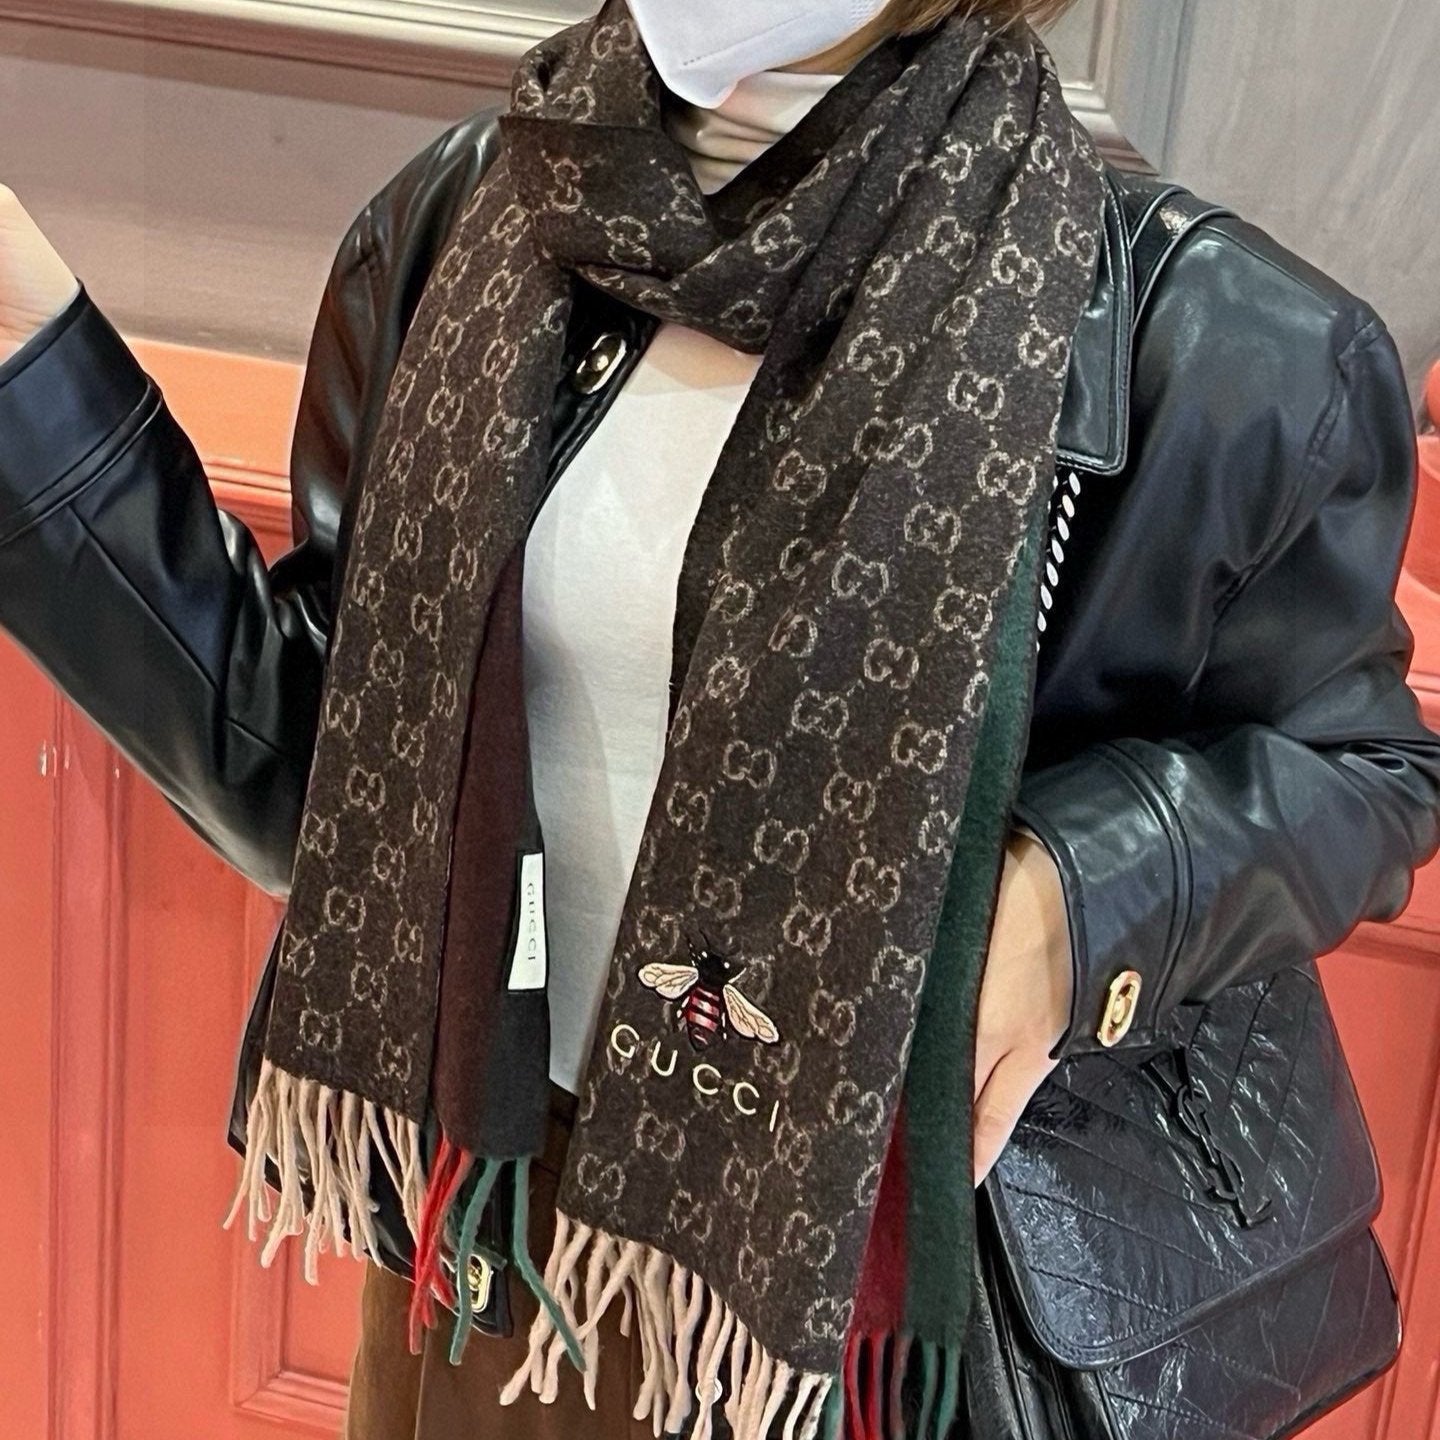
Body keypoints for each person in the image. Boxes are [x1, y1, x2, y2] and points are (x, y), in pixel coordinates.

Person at [1, 0, 1437, 1436]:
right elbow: (321, 794)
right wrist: (29, 369)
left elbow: (1366, 767)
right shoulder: (469, 221)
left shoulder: (1222, 344)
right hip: (499, 1226)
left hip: (882, 1303)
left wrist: (1085, 895)